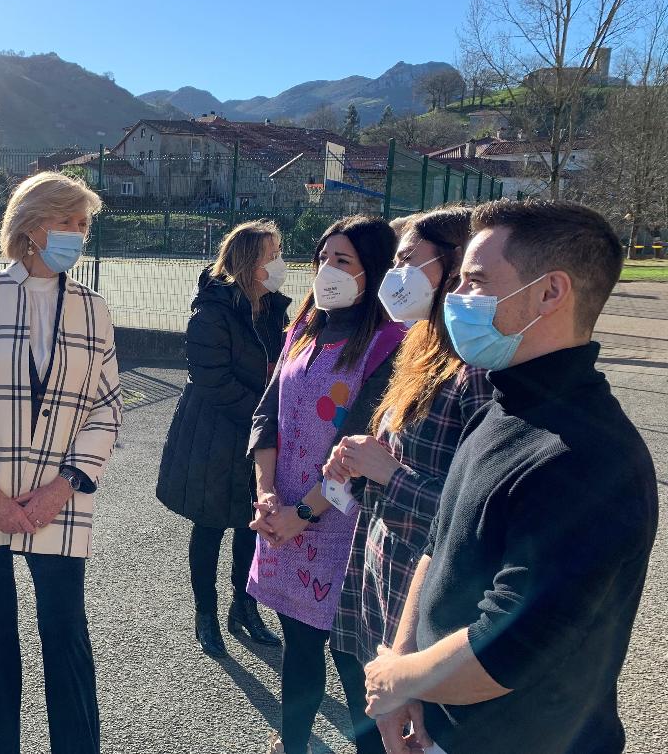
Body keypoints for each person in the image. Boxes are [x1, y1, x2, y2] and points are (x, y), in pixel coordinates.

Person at [364, 201, 658, 754]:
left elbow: (508, 646)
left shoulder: (587, 460)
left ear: (551, 293)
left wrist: (392, 680)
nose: (455, 298)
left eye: (475, 282)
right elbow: (438, 542)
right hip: (440, 727)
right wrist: (402, 665)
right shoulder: (499, 405)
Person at [0, 171, 122, 754]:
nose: (79, 236)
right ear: (34, 226)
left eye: (84, 225)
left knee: (66, 629)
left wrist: (58, 490)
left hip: (58, 495)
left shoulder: (94, 310)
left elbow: (107, 411)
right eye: (70, 223)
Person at [319, 207, 492, 745]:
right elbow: (395, 454)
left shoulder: (479, 373)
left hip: (422, 612)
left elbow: (479, 519)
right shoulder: (422, 347)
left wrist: (388, 476)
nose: (396, 275)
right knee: (369, 720)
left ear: (455, 266)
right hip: (380, 579)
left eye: (407, 260)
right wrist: (356, 463)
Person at [246, 215, 405, 754]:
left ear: (374, 272)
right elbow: (268, 415)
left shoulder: (390, 343)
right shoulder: (303, 330)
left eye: (344, 261)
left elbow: (364, 451)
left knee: (352, 659)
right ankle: (292, 743)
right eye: (322, 259)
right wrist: (268, 493)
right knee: (299, 644)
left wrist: (303, 515)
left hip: (344, 525)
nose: (327, 271)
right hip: (285, 511)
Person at [156, 220, 289, 656]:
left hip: (254, 435)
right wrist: (263, 415)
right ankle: (206, 614)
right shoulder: (212, 311)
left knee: (250, 525)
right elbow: (212, 380)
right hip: (213, 435)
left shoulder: (273, 308)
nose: (280, 264)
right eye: (272, 255)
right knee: (210, 524)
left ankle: (244, 606)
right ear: (250, 261)